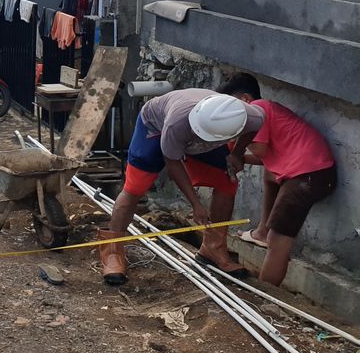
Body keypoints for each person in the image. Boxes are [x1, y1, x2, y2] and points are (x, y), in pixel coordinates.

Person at [99, 89, 264, 285]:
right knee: (135, 187)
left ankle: (214, 247)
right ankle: (112, 251)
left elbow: (255, 127)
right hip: (154, 128)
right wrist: (196, 204)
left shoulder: (249, 115)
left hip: (206, 137)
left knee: (227, 181)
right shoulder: (176, 123)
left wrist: (236, 153)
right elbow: (173, 164)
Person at [217, 73, 337, 286]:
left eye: (230, 107)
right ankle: (261, 231)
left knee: (278, 241)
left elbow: (260, 148)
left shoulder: (259, 109)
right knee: (270, 174)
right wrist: (238, 156)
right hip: (310, 169)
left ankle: (266, 295)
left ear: (245, 100)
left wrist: (236, 147)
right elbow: (267, 157)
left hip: (309, 175)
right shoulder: (265, 110)